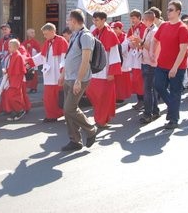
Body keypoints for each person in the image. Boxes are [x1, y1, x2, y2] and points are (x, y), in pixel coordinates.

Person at [58, 9, 98, 151]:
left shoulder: (86, 36)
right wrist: (63, 75)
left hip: (78, 79)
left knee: (69, 108)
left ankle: (91, 129)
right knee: (67, 110)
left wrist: (78, 80)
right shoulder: (75, 35)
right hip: (69, 77)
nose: (67, 22)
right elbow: (69, 56)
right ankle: (75, 140)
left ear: (74, 21)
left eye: (68, 20)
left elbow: (86, 60)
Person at [153, 0, 188, 129]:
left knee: (175, 92)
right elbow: (155, 40)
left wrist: (174, 68)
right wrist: (154, 55)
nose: (167, 12)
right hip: (161, 65)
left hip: (177, 67)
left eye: (171, 10)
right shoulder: (163, 26)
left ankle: (173, 119)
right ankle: (173, 107)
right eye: (167, 9)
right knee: (158, 85)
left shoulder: (182, 28)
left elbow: (183, 50)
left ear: (178, 12)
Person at [86, 12, 121, 129]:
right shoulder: (94, 33)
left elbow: (115, 55)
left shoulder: (111, 34)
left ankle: (101, 120)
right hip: (94, 71)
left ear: (103, 20)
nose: (94, 22)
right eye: (93, 20)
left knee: (104, 98)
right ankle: (100, 118)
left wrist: (112, 72)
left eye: (97, 20)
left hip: (105, 72)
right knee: (94, 95)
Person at [28, 23, 68, 122]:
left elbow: (65, 58)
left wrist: (62, 73)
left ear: (52, 31)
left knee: (59, 97)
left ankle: (56, 115)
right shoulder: (47, 42)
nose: (44, 36)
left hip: (57, 75)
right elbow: (42, 56)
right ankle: (51, 115)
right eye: (44, 34)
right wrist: (29, 62)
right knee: (48, 98)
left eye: (46, 34)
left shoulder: (61, 41)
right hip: (49, 75)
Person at [138, 11, 160, 124]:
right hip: (145, 61)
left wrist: (140, 42)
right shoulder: (147, 30)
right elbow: (144, 46)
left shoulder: (155, 31)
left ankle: (148, 114)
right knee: (150, 89)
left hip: (151, 63)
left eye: (144, 19)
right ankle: (155, 110)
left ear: (148, 20)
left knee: (147, 90)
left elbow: (150, 48)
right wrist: (137, 43)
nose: (142, 21)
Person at [1, 39, 27, 121]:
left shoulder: (18, 56)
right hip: (12, 79)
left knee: (13, 96)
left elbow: (19, 71)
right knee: (10, 96)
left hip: (16, 80)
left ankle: (20, 110)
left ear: (15, 47)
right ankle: (16, 111)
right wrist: (7, 71)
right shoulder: (13, 55)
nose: (8, 48)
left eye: (10, 46)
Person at [126, 10, 146, 110]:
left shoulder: (143, 27)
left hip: (141, 55)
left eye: (134, 18)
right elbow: (128, 40)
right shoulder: (132, 28)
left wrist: (137, 44)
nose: (132, 20)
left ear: (139, 17)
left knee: (140, 78)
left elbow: (144, 41)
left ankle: (143, 100)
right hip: (134, 55)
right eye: (131, 18)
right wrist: (131, 43)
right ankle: (140, 99)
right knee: (135, 78)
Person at [111, 21, 132, 103]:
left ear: (120, 29)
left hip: (123, 62)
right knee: (116, 81)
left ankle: (121, 97)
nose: (114, 30)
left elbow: (122, 49)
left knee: (121, 82)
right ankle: (115, 96)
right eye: (113, 29)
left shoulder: (125, 37)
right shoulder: (113, 36)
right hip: (116, 61)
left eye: (116, 28)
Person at [22, 28, 41, 94]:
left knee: (34, 75)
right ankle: (28, 87)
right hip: (27, 61)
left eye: (34, 32)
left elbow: (39, 51)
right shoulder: (24, 42)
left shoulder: (36, 42)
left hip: (34, 60)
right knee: (27, 74)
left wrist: (32, 49)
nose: (33, 34)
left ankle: (34, 87)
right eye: (31, 32)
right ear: (27, 34)